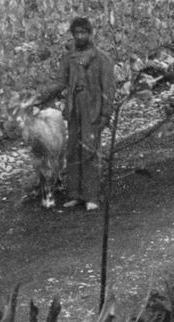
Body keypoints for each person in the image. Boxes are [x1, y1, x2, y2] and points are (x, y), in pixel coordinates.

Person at [36, 16, 115, 211]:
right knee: (73, 150)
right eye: (76, 33)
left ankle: (91, 196)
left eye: (83, 33)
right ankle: (74, 194)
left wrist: (105, 115)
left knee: (90, 149)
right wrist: (40, 95)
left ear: (90, 34)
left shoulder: (102, 58)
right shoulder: (69, 58)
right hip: (74, 108)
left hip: (92, 108)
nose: (80, 36)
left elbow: (108, 89)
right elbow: (60, 82)